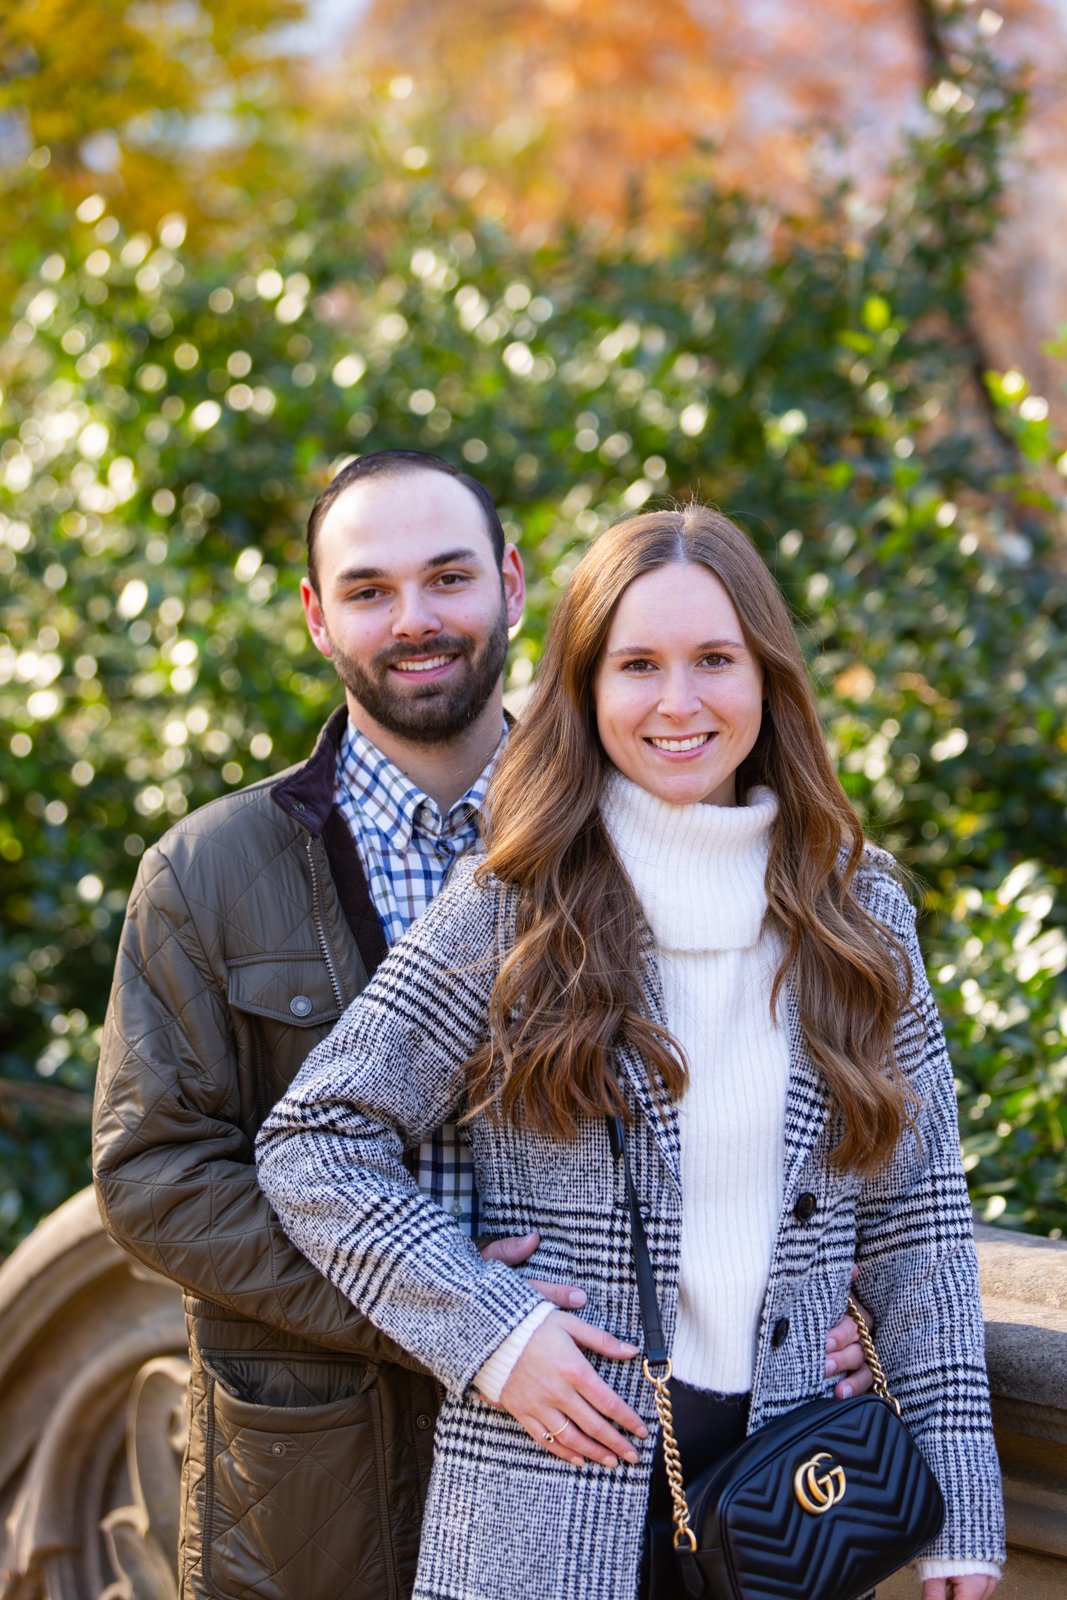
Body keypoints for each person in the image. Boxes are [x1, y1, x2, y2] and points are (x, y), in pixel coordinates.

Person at [92, 453, 874, 1600]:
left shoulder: (653, 817)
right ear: (316, 616)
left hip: (607, 1465)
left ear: (511, 583)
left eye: (448, 577)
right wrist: (447, 1310)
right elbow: (155, 1175)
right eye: (367, 590)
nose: (415, 620)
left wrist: (813, 1281)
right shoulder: (208, 872)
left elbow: (772, 1104)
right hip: (325, 1475)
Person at [257, 503, 1005, 1600]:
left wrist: (962, 1502)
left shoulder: (859, 910)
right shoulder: (514, 905)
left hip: (796, 1495)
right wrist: (496, 1333)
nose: (677, 701)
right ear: (585, 688)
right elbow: (314, 1139)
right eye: (635, 664)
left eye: (714, 659)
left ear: (767, 678)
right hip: (550, 1480)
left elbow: (916, 1223)